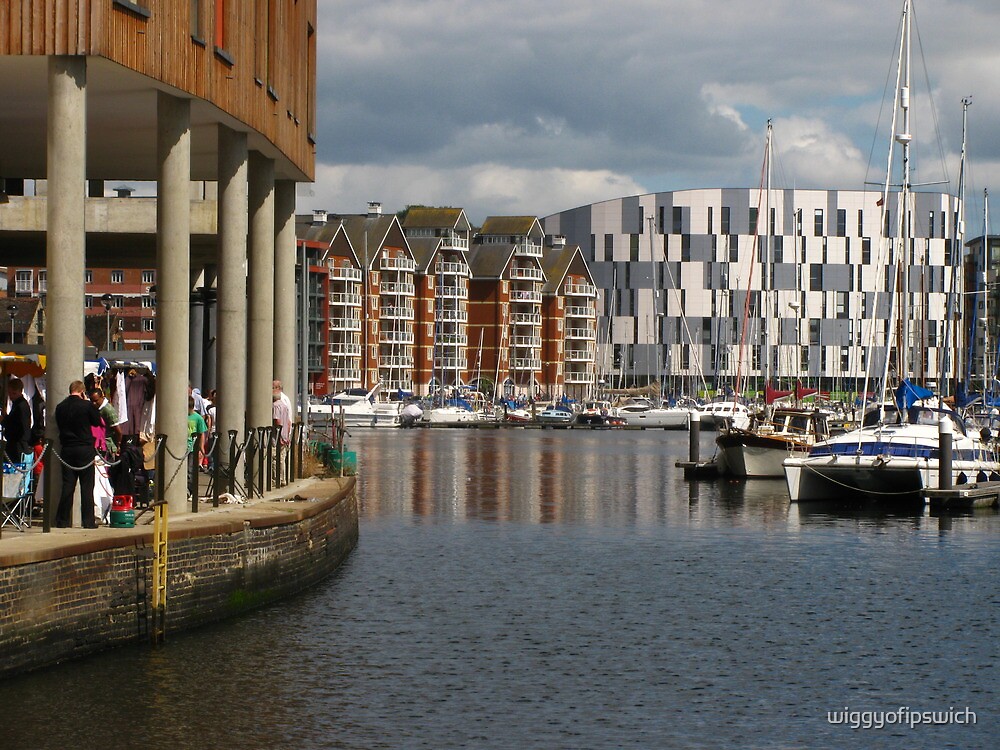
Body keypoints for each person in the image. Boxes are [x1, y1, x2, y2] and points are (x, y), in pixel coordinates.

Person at [54, 380, 102, 528]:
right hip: (84, 449)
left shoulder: (60, 407)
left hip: (67, 448)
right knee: (87, 486)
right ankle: (88, 521)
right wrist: (88, 403)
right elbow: (96, 422)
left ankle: (62, 520)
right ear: (82, 392)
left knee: (68, 485)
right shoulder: (87, 406)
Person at [3, 377, 33, 463]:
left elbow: (18, 426)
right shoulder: (17, 404)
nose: (11, 396)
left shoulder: (21, 406)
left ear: (20, 391)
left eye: (14, 393)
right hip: (15, 443)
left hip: (18, 445)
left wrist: (4, 421)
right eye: (9, 393)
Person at [89, 387, 122, 457]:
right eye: (92, 401)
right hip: (97, 445)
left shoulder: (108, 410)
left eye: (96, 400)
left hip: (108, 446)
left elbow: (118, 431)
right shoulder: (95, 408)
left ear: (102, 397)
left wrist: (118, 444)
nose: (94, 403)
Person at [187, 396, 208, 495]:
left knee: (190, 470)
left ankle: (190, 491)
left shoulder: (198, 418)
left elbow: (201, 434)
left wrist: (201, 448)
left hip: (192, 448)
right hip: (182, 447)